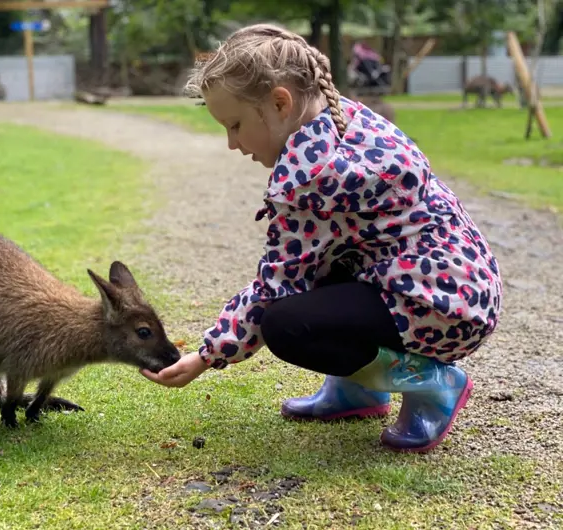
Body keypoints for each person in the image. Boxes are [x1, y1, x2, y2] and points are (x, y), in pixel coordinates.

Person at [140, 23, 503, 454]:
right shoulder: (340, 119)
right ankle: (360, 390)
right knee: (322, 274)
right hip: (462, 288)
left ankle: (432, 385)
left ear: (279, 102)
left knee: (287, 323)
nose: (232, 144)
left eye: (235, 125)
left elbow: (274, 288)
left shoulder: (311, 177)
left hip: (437, 305)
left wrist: (206, 355)